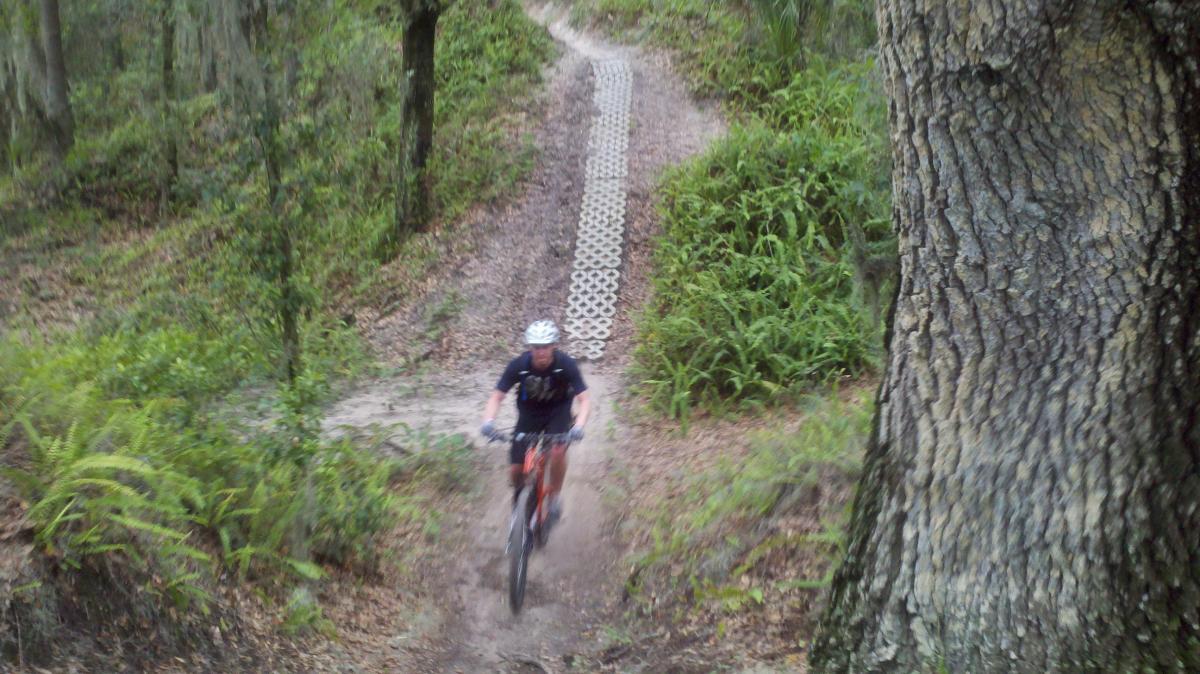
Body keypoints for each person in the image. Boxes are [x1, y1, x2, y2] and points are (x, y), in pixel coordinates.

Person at [480, 319, 590, 522]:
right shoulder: (519, 365)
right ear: (530, 347)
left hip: (558, 412)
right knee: (515, 469)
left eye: (545, 346)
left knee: (557, 450)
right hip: (529, 415)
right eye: (536, 347)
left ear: (554, 345)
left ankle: (555, 497)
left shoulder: (565, 364)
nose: (541, 352)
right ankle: (521, 498)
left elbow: (584, 399)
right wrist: (488, 422)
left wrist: (579, 425)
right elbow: (497, 396)